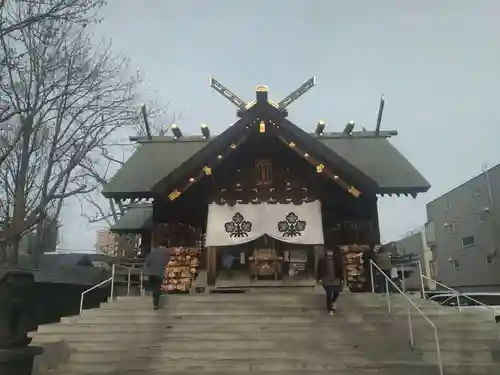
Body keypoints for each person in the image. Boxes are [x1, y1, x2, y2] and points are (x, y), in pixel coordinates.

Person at [317, 249, 343, 315]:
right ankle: (330, 309)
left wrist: (342, 279)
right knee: (329, 294)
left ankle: (333, 301)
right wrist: (319, 278)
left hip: (336, 279)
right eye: (328, 251)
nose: (330, 253)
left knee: (336, 292)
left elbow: (340, 269)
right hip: (326, 279)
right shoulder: (322, 260)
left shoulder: (336, 260)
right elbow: (319, 269)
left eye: (331, 251)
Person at [143, 245, 170, 310]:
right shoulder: (166, 252)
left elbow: (147, 262)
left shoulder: (152, 252)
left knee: (153, 286)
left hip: (151, 272)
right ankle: (155, 303)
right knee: (157, 287)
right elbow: (167, 261)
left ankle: (152, 297)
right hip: (159, 273)